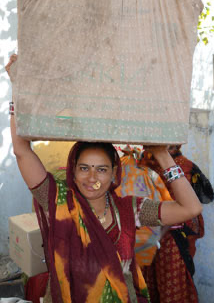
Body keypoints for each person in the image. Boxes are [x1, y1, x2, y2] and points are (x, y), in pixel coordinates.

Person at [6, 56, 202, 303]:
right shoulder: (57, 200)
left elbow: (191, 208)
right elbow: (22, 151)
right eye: (84, 168)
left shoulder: (130, 209)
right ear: (73, 171)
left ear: (114, 175)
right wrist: (18, 88)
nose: (91, 177)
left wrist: (162, 154)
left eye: (101, 170)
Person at [139, 145, 214, 303]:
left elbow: (186, 206)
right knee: (149, 283)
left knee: (173, 287)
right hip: (147, 235)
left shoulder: (183, 167)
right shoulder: (141, 164)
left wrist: (158, 236)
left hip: (172, 236)